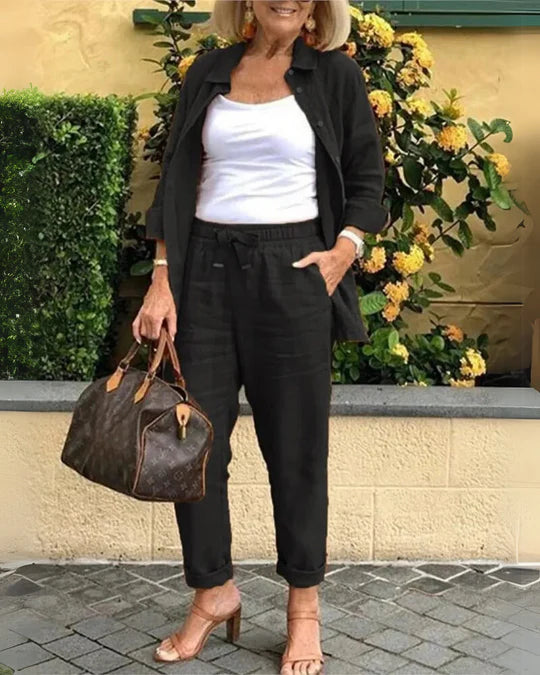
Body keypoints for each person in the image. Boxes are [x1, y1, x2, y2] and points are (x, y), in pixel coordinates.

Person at [132, 0, 389, 672]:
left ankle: (303, 610)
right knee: (192, 446)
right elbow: (176, 179)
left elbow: (368, 180)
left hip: (294, 272)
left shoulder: (335, 76)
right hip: (204, 275)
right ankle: (212, 591)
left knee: (296, 449)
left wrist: (343, 251)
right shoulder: (210, 71)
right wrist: (162, 279)